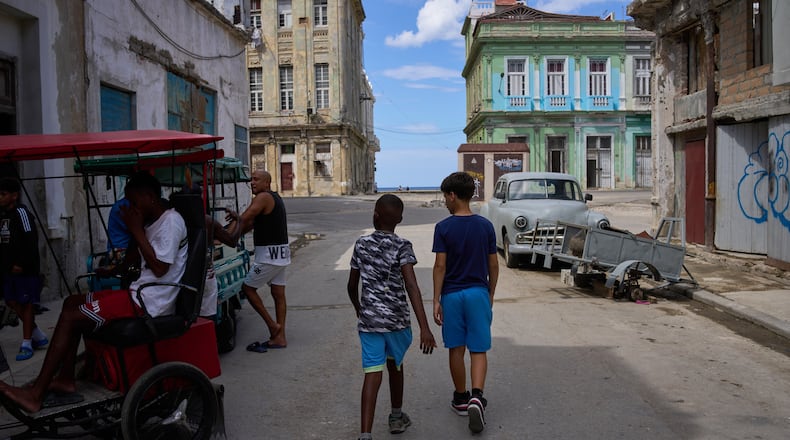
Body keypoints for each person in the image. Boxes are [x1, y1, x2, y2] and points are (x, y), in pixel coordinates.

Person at [0, 172, 188, 413]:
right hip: (138, 291)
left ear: (149, 197)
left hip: (150, 301)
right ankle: (66, 378)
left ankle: (35, 395)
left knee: (72, 316)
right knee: (71, 302)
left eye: (133, 202)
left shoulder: (171, 221)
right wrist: (120, 258)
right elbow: (135, 261)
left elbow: (161, 268)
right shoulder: (151, 222)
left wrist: (136, 230)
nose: (130, 208)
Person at [347, 194, 436, 440]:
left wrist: (359, 308)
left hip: (370, 323)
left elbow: (351, 284)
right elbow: (412, 285)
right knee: (395, 365)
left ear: (375, 215)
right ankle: (396, 417)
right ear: (400, 220)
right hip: (397, 322)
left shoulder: (361, 244)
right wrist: (425, 328)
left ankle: (365, 435)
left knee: (372, 372)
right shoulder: (402, 246)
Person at [432, 171, 498, 434]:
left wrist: (436, 299)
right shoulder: (485, 226)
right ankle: (477, 397)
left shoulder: (443, 228)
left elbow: (440, 266)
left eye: (445, 198)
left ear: (452, 195)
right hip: (478, 293)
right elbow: (493, 264)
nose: (445, 203)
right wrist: (490, 293)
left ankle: (461, 397)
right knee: (478, 348)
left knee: (456, 349)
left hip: (453, 295)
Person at [226, 170, 290, 350]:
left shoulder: (263, 197)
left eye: (256, 179)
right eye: (251, 180)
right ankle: (280, 338)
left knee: (247, 288)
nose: (252, 183)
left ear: (267, 182)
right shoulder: (274, 198)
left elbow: (245, 218)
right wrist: (233, 234)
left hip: (269, 257)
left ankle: (273, 326)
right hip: (281, 255)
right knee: (278, 295)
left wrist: (225, 232)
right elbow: (250, 225)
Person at [0, 177, 48, 361]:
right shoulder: (4, 215)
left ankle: (27, 342)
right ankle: (36, 333)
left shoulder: (22, 213)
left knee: (26, 304)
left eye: (4, 194)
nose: (0, 198)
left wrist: (21, 263)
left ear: (14, 196)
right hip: (8, 270)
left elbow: (30, 240)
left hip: (25, 270)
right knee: (11, 302)